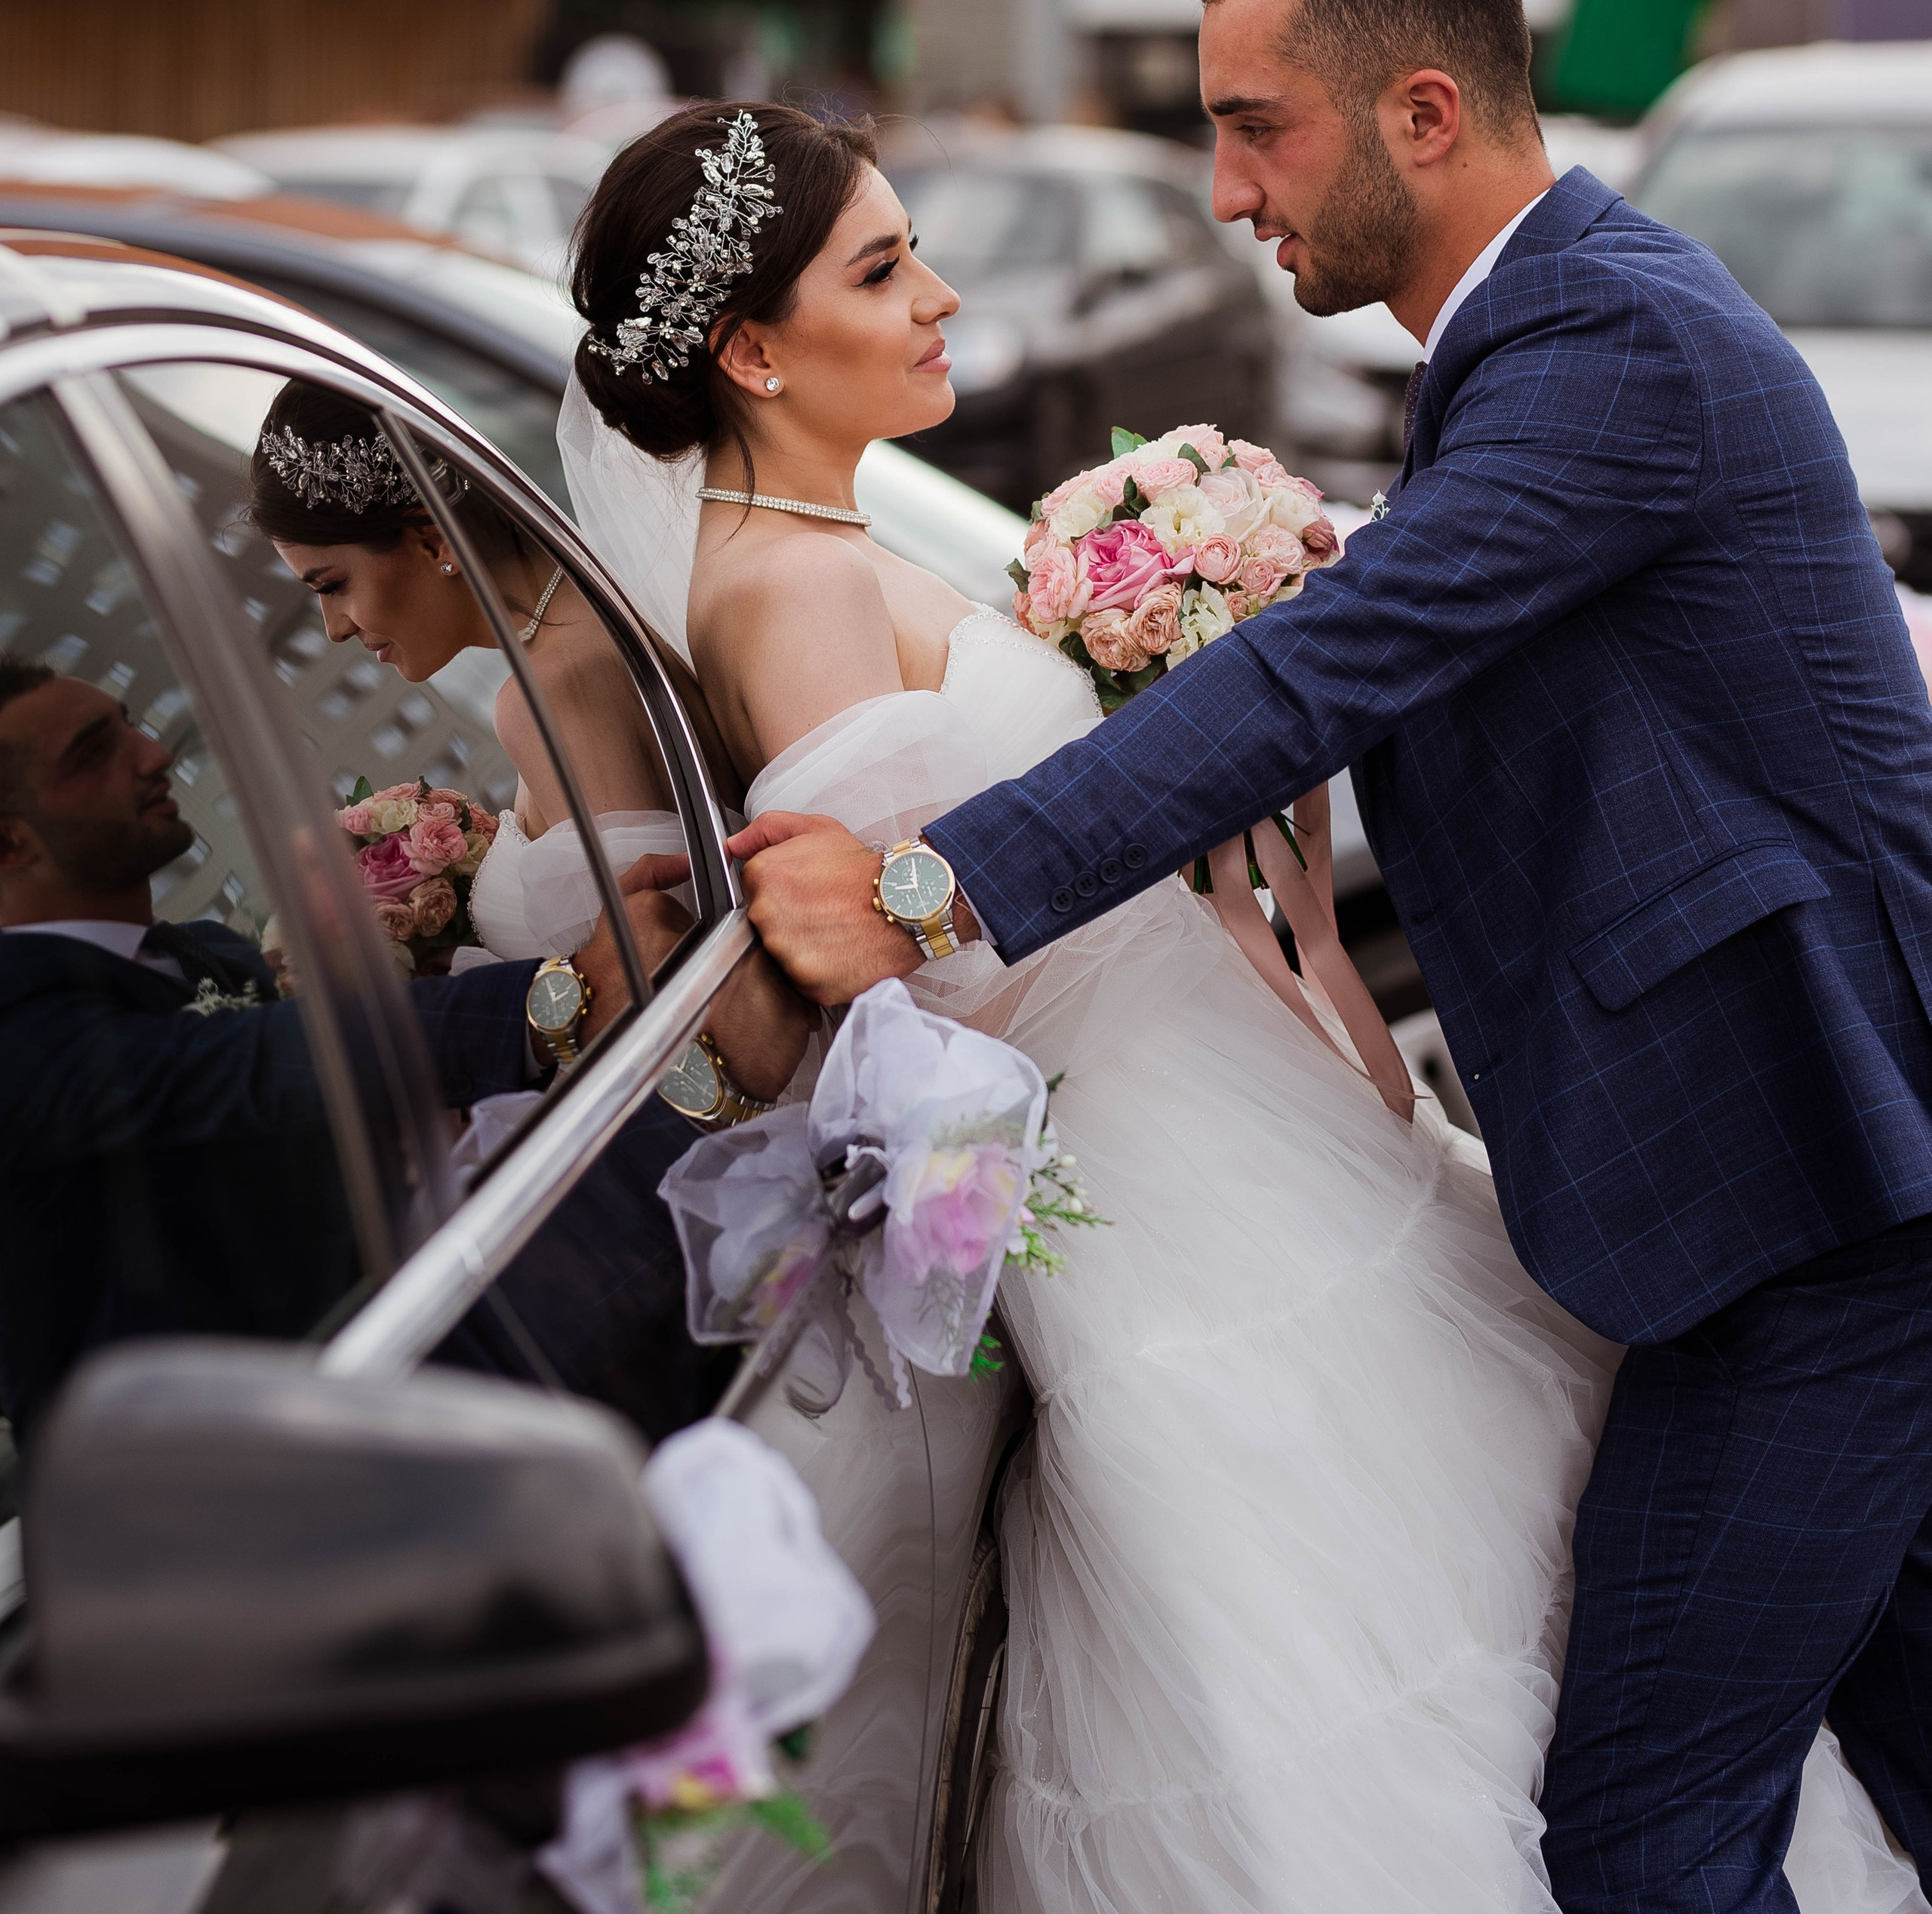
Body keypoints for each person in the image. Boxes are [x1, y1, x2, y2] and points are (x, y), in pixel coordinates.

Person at [559, 94, 1916, 1914]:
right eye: (881, 269)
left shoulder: (826, 541)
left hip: (1218, 1121)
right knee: (1392, 1654)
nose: (942, 296)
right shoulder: (791, 582)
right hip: (1159, 1181)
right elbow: (885, 981)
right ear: (749, 349)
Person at [0, 659, 577, 1443]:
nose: (153, 752)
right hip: (225, 1469)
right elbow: (249, 1066)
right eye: (94, 751)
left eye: (129, 724)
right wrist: (557, 995)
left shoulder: (206, 951)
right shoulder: (17, 1031)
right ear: (9, 841)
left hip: (401, 1368)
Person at [249, 379, 808, 1109]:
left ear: (432, 539)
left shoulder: (550, 691)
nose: (334, 627)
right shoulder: (594, 627)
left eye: (333, 584)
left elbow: (661, 1001)